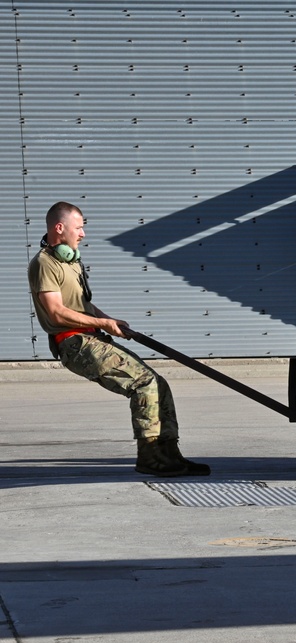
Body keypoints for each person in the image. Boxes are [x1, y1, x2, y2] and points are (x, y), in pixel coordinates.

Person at [27, 202, 210, 477]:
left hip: (90, 337)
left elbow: (83, 308)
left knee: (159, 383)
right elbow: (56, 312)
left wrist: (111, 322)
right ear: (59, 228)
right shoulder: (44, 263)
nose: (83, 234)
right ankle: (150, 458)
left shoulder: (71, 261)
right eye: (79, 228)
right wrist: (103, 323)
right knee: (142, 384)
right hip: (73, 342)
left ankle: (169, 454)